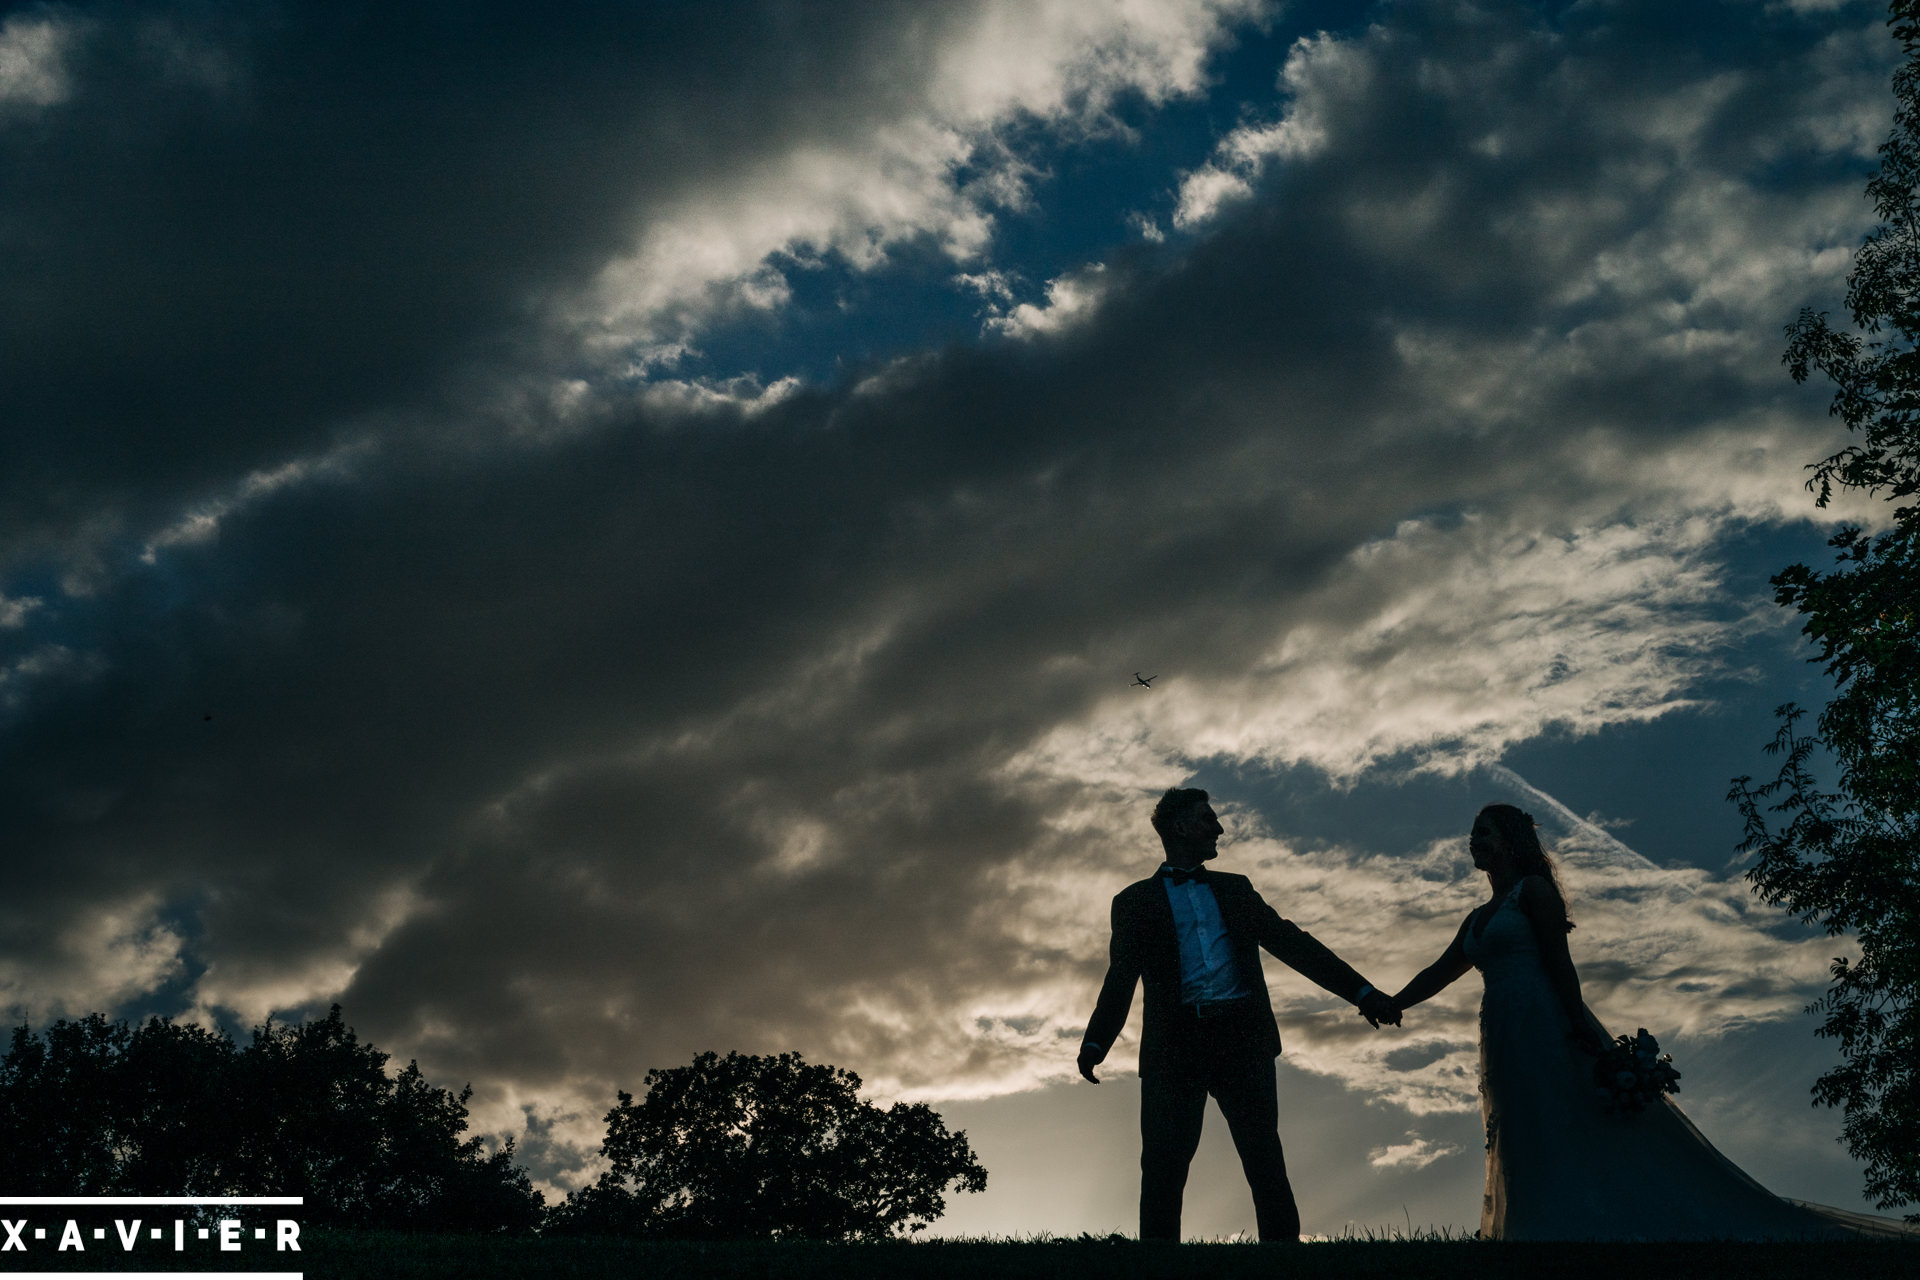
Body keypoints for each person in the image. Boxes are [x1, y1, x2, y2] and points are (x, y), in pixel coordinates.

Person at [1389, 802, 1917, 1240]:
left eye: (1482, 832)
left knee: (1565, 1119)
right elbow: (1440, 970)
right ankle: (1535, 1227)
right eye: (1472, 833)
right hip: (1500, 1034)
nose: (1472, 840)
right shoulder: (1477, 918)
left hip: (1545, 1023)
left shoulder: (1534, 894)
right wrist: (1393, 1003)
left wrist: (1575, 1024)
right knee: (1521, 1123)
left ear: (1508, 840)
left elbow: (1559, 964)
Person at [1077, 787, 1402, 1243]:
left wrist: (1363, 993)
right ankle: (1157, 1262)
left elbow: (1293, 944)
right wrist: (1096, 1043)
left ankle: (1282, 1256)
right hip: (1174, 1046)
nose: (1219, 827)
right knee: (1164, 1165)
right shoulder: (1134, 901)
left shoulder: (1236, 889)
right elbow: (1121, 977)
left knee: (1263, 1155)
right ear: (1181, 827)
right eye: (1208, 818)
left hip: (1242, 1038)